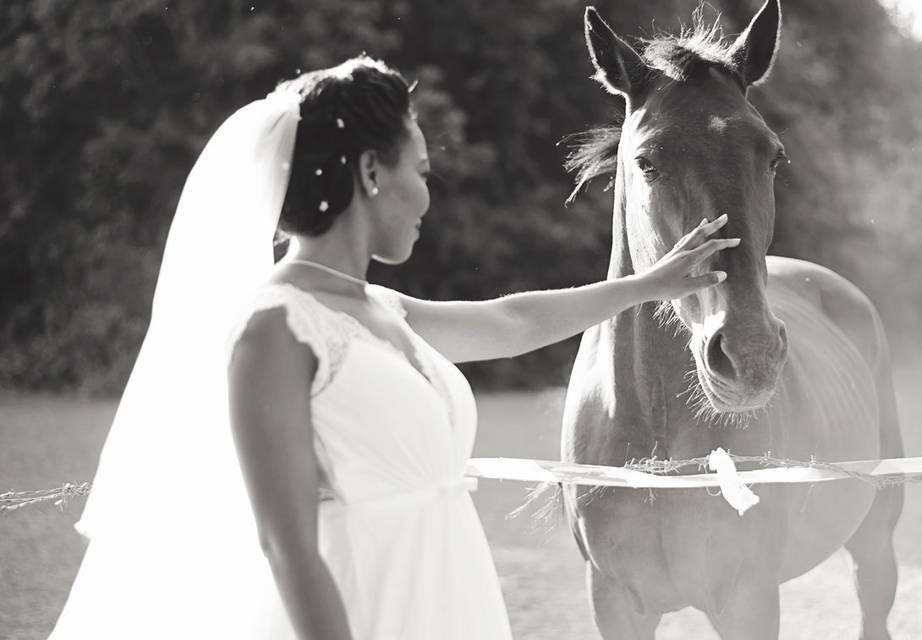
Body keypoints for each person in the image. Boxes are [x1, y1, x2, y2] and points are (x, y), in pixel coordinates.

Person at [50, 56, 736, 640]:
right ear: (372, 172)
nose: (427, 197)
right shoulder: (273, 329)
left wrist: (651, 283)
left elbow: (513, 323)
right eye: (423, 169)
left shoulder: (380, 308)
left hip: (445, 601)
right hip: (365, 608)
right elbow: (286, 548)